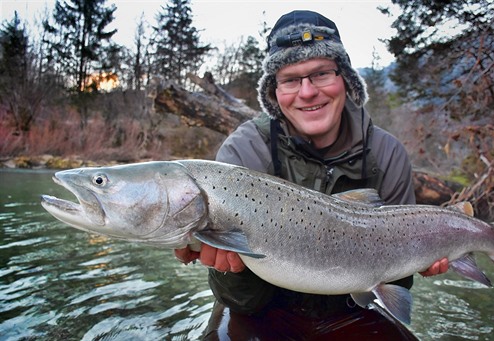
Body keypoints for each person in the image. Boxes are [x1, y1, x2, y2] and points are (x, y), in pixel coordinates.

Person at [175, 10, 448, 340]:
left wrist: (422, 256)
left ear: (344, 79)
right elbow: (238, 300)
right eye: (290, 79)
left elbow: (397, 284)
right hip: (261, 312)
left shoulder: (386, 153)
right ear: (274, 92)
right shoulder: (244, 152)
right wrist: (227, 268)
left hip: (353, 312)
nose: (307, 92)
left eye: (320, 74)